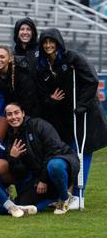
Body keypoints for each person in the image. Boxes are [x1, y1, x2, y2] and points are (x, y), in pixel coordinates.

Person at [36, 28, 107, 209]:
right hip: (68, 116)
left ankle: (78, 195)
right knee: (70, 154)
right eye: (45, 42)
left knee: (82, 152)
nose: (48, 45)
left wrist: (82, 105)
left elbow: (91, 80)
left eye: (52, 42)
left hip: (85, 114)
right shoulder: (44, 64)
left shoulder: (73, 58)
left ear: (58, 42)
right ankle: (69, 194)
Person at [4, 103, 79, 214]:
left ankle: (64, 198)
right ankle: (53, 199)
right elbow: (20, 174)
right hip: (40, 176)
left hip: (63, 161)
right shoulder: (10, 138)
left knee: (54, 165)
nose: (14, 117)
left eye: (16, 112)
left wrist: (43, 179)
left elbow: (54, 150)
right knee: (21, 203)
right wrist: (14, 158)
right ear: (6, 117)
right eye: (9, 114)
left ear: (23, 113)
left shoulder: (38, 124)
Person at [0, 45, 39, 117]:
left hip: (25, 113)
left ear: (10, 59)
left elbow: (29, 102)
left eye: (2, 57)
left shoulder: (22, 75)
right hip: (5, 109)